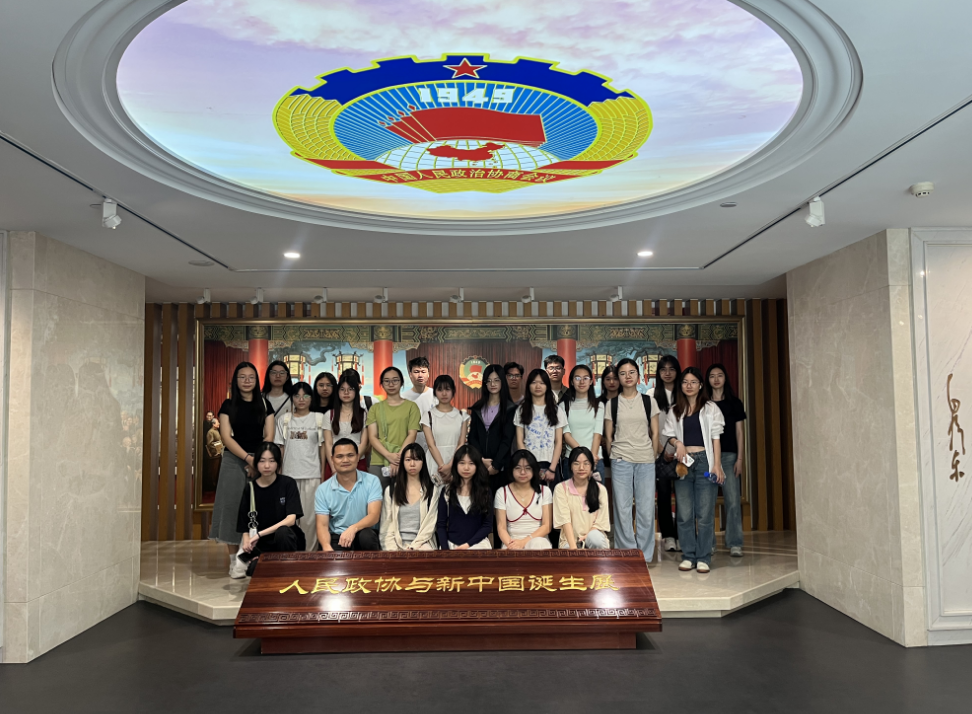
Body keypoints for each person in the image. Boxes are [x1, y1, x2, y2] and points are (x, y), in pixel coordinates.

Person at [211, 362, 274, 577]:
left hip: (261, 461)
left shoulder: (265, 404)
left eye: (251, 377)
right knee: (231, 509)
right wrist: (248, 459)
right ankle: (235, 562)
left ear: (257, 381)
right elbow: (226, 437)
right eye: (242, 377)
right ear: (235, 381)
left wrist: (259, 461)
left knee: (258, 510)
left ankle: (251, 557)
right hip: (233, 460)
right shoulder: (228, 405)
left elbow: (269, 435)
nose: (247, 381)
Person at [664, 366, 726, 573]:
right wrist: (678, 443)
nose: (689, 385)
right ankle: (689, 555)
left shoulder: (710, 408)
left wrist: (716, 465)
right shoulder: (675, 409)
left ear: (700, 385)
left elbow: (716, 439)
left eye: (693, 382)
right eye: (685, 382)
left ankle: (703, 557)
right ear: (681, 386)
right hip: (684, 463)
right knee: (684, 513)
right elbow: (669, 435)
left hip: (705, 462)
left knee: (705, 514)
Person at [603, 358, 660, 563]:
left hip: (645, 460)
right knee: (622, 508)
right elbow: (608, 435)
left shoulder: (648, 401)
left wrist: (652, 456)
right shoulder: (612, 403)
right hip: (621, 460)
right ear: (618, 377)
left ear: (638, 375)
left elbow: (655, 433)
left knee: (646, 508)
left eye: (631, 372)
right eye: (623, 373)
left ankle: (644, 555)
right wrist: (614, 456)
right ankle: (626, 553)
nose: (627, 376)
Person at [235, 442, 304, 577]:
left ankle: (287, 571)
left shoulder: (288, 483)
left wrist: (259, 535)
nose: (267, 466)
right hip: (262, 545)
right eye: (262, 461)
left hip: (286, 541)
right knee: (254, 570)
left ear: (278, 463)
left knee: (282, 532)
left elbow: (291, 520)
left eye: (272, 461)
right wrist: (247, 541)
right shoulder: (251, 488)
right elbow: (244, 522)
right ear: (256, 463)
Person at [274, 382, 325, 550]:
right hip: (289, 477)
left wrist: (323, 474)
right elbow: (280, 449)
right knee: (290, 519)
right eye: (297, 396)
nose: (301, 399)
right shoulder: (284, 420)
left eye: (306, 396)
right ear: (292, 398)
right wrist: (278, 476)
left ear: (311, 398)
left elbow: (322, 449)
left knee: (310, 519)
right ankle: (293, 554)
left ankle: (309, 555)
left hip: (312, 475)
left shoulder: (319, 418)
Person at [706, 363, 747, 557]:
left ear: (725, 378)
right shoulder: (704, 404)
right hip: (708, 457)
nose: (716, 379)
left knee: (732, 501)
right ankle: (709, 543)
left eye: (719, 375)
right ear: (707, 380)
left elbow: (740, 433)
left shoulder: (735, 403)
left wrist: (740, 458)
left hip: (730, 456)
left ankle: (735, 542)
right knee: (708, 502)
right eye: (712, 376)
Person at [315, 438, 382, 551]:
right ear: (332, 459)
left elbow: (374, 515)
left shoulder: (372, 481)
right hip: (338, 536)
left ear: (358, 457)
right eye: (339, 456)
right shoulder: (323, 489)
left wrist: (353, 528)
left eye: (350, 455)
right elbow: (322, 525)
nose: (345, 460)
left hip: (363, 532)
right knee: (327, 548)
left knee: (367, 537)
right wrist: (327, 547)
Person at [366, 366, 420, 490]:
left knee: (403, 497)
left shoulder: (412, 407)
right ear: (382, 384)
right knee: (377, 498)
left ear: (401, 382)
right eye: (387, 381)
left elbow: (412, 434)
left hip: (405, 460)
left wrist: (398, 458)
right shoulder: (375, 408)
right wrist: (388, 455)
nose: (391, 384)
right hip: (379, 461)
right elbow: (372, 437)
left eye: (395, 380)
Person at [380, 443, 441, 550]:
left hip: (422, 545)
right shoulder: (391, 491)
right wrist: (394, 551)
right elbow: (386, 528)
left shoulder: (432, 490)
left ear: (423, 462)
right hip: (396, 547)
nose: (412, 464)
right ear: (402, 462)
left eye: (417, 459)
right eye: (408, 460)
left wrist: (413, 547)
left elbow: (430, 526)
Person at [466, 364, 516, 493]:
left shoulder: (510, 409)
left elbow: (507, 440)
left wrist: (496, 465)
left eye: (496, 380)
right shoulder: (477, 408)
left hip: (501, 468)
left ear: (502, 382)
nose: (492, 384)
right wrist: (481, 460)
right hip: (480, 467)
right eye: (489, 381)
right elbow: (472, 437)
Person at [514, 369, 566, 487]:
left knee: (550, 497)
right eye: (534, 382)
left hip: (550, 464)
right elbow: (519, 441)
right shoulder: (521, 410)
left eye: (542, 383)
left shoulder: (557, 411)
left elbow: (558, 442)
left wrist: (552, 468)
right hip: (528, 463)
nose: (538, 386)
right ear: (528, 385)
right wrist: (528, 466)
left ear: (547, 386)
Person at [436, 445, 493, 549]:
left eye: (471, 463)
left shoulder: (485, 491)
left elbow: (487, 525)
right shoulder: (447, 491)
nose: (466, 468)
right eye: (462, 463)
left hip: (478, 545)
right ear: (456, 465)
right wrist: (445, 550)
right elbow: (441, 525)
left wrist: (467, 545)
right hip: (451, 545)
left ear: (477, 465)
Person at [554, 446, 611, 549]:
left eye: (586, 463)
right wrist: (574, 549)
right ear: (570, 466)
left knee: (595, 537)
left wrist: (586, 537)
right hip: (569, 542)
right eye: (576, 463)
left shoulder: (600, 490)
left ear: (592, 466)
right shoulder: (561, 489)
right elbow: (565, 521)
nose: (581, 468)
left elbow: (600, 522)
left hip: (594, 540)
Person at [494, 450, 553, 549]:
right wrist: (512, 545)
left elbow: (546, 526)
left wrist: (523, 542)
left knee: (538, 543)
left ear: (534, 470)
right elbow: (501, 528)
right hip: (512, 542)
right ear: (511, 469)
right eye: (518, 468)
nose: (522, 472)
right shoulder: (502, 493)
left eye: (527, 468)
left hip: (538, 542)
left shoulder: (545, 491)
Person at [654, 355, 682, 553]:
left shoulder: (684, 393)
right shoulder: (652, 395)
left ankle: (682, 535)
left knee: (683, 495)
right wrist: (660, 449)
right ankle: (668, 536)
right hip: (661, 452)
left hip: (682, 452)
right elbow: (651, 427)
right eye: (663, 369)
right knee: (663, 495)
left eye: (671, 369)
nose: (667, 373)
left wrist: (678, 449)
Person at [421, 375, 470, 484]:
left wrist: (450, 466)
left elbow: (461, 443)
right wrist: (442, 466)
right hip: (434, 463)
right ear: (435, 392)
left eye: (447, 389)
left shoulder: (462, 416)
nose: (444, 393)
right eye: (440, 389)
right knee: (434, 493)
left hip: (456, 461)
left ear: (453, 391)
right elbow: (431, 445)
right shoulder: (427, 416)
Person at [560, 364, 604, 479]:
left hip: (595, 459)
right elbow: (566, 435)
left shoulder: (598, 405)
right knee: (570, 491)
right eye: (577, 378)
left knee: (595, 491)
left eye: (586, 378)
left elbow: (597, 434)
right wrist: (583, 456)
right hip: (572, 459)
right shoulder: (563, 406)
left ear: (591, 382)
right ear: (572, 381)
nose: (582, 382)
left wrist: (591, 457)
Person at [323, 373, 370, 478]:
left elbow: (364, 442)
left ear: (356, 391)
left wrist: (352, 461)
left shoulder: (363, 414)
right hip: (335, 465)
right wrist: (334, 467)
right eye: (342, 389)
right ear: (338, 392)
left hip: (358, 463)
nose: (346, 392)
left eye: (350, 389)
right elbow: (328, 444)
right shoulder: (329, 415)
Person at [403, 356, 436, 450]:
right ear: (410, 374)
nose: (420, 375)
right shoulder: (403, 398)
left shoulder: (436, 395)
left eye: (423, 371)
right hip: (411, 441)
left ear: (428, 374)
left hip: (434, 439)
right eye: (416, 372)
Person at [596, 365, 620, 483]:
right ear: (603, 381)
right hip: (601, 451)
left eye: (615, 378)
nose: (612, 382)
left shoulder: (626, 401)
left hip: (622, 450)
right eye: (608, 379)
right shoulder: (596, 403)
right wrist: (601, 439)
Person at [203, 417, 223, 494]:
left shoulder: (216, 431)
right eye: (217, 422)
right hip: (214, 455)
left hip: (218, 454)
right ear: (213, 424)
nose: (219, 424)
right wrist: (216, 450)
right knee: (213, 471)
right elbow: (210, 444)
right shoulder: (210, 432)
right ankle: (212, 485)